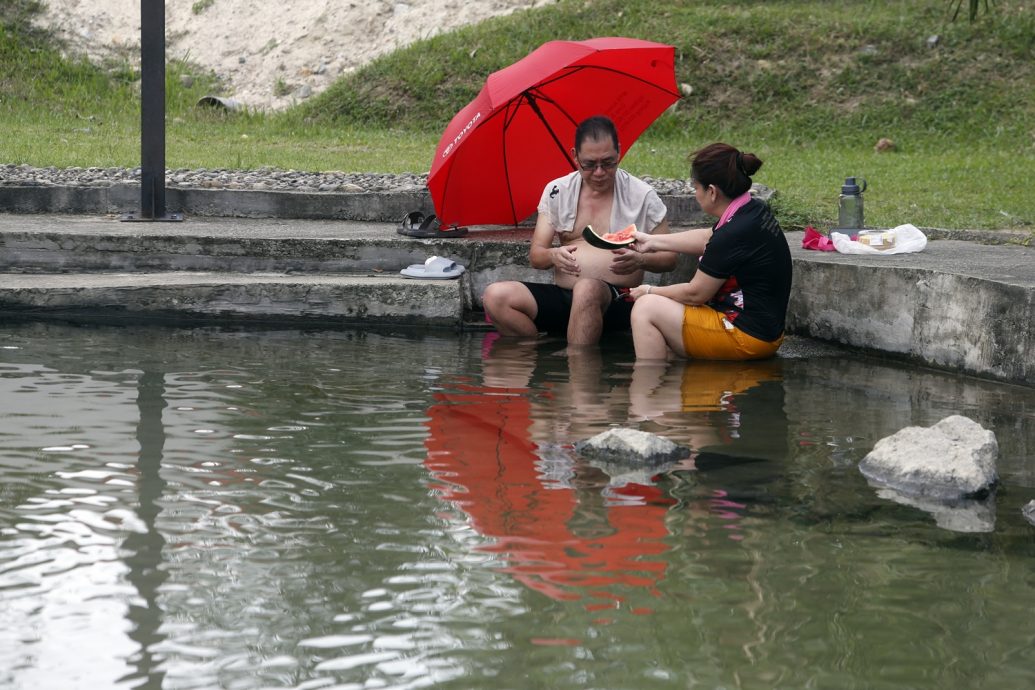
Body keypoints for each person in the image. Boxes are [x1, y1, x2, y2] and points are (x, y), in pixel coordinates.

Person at [481, 115, 678, 346]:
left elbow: (670, 258)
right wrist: (554, 255)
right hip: (565, 295)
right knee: (495, 296)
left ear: (619, 153)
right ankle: (536, 353)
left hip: (618, 299)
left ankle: (578, 371)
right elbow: (537, 256)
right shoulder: (557, 191)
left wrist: (640, 260)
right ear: (575, 156)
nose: (599, 172)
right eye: (590, 164)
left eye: (608, 163)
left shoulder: (642, 195)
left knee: (587, 288)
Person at [627, 143, 792, 361]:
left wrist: (648, 290)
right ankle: (678, 384)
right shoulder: (751, 210)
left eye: (696, 188)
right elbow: (708, 238)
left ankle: (648, 389)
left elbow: (695, 293)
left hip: (747, 337)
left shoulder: (732, 234)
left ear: (712, 192)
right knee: (663, 315)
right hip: (766, 330)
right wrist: (653, 241)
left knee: (646, 309)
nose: (695, 194)